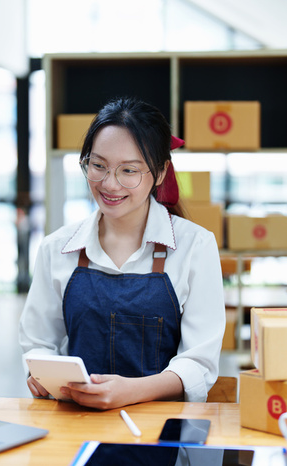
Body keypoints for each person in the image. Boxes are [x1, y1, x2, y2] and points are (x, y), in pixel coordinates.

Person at [18, 97, 225, 410]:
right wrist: (41, 373)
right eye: (98, 166)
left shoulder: (195, 246)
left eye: (129, 170)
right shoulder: (56, 248)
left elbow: (200, 363)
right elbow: (38, 343)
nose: (110, 184)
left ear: (159, 172)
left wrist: (133, 391)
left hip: (161, 434)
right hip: (75, 426)